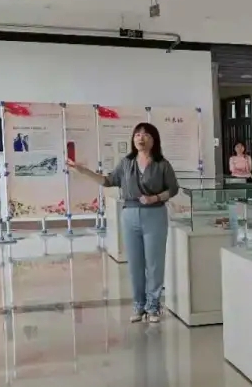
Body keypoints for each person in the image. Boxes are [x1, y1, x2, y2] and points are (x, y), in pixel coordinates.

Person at [68, 122, 179, 323]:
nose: (140, 138)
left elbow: (173, 189)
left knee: (154, 263)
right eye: (137, 135)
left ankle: (153, 306)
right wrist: (83, 171)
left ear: (154, 139)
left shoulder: (162, 164)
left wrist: (155, 198)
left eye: (145, 135)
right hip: (129, 214)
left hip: (154, 214)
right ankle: (139, 305)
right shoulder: (126, 163)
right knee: (135, 263)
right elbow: (108, 181)